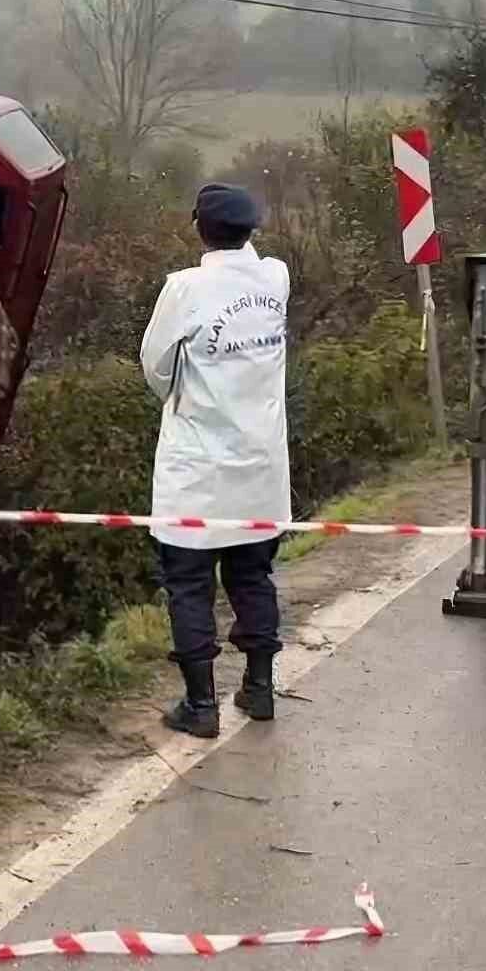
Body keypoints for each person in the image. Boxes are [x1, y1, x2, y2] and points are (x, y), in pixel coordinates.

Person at [140, 182, 291, 739]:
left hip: (197, 467)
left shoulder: (184, 288)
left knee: (188, 583)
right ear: (251, 229)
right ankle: (259, 688)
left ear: (198, 229)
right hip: (261, 464)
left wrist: (186, 396)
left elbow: (155, 365)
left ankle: (201, 706)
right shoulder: (275, 278)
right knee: (253, 576)